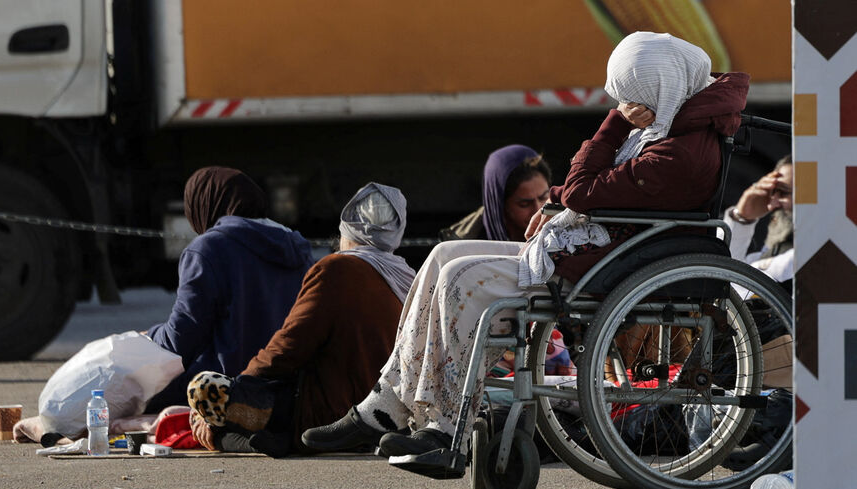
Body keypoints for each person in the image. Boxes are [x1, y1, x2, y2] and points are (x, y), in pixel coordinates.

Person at [301, 31, 749, 457]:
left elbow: (580, 190)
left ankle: (446, 423)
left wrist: (612, 124)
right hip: (599, 250)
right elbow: (595, 192)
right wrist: (557, 201)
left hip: (607, 263)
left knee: (463, 278)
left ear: (666, 87)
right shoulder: (674, 131)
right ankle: (383, 405)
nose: (625, 105)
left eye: (632, 97)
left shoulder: (677, 152)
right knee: (442, 256)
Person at [187, 183, 416, 456]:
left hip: (328, 417)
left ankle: (224, 436)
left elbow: (289, 347)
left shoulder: (337, 269)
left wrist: (241, 388)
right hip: (390, 419)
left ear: (347, 229)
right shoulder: (409, 278)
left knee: (204, 389)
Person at [144, 166, 314, 412]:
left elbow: (180, 342)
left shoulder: (208, 249)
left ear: (203, 204)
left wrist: (148, 337)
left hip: (226, 388)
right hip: (287, 389)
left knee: (131, 390)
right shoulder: (297, 247)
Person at [439, 145, 552, 242]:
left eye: (543, 197)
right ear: (500, 205)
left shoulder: (566, 228)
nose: (538, 209)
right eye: (524, 204)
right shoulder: (462, 248)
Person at [724, 155, 793, 286]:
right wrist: (741, 218)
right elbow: (720, 276)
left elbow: (733, 284)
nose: (773, 203)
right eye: (773, 192)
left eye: (784, 192)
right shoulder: (775, 254)